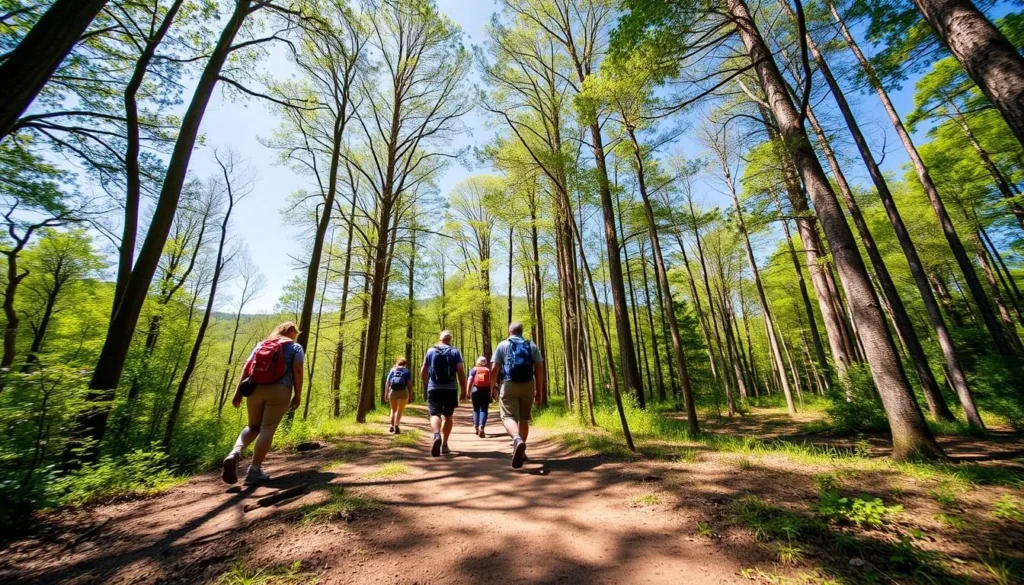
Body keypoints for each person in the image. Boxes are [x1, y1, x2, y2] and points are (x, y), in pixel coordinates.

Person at [222, 322, 304, 485]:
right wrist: (298, 395)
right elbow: (298, 370)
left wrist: (237, 391)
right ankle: (254, 471)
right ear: (292, 334)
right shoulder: (295, 348)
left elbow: (246, 367)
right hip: (280, 389)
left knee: (252, 426)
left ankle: (235, 453)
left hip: (254, 389)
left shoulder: (262, 344)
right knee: (267, 429)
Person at [490, 322, 545, 469]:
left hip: (509, 384)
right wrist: (539, 390)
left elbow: (495, 368)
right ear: (522, 332)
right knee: (524, 419)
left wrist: (492, 387)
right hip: (528, 384)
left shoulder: (502, 345)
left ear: (509, 331)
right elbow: (539, 367)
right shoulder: (531, 345)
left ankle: (516, 439)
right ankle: (521, 449)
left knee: (508, 417)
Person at [420, 330, 466, 457]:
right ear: (450, 339)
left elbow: (423, 371)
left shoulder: (430, 351)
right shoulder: (455, 351)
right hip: (451, 388)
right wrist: (464, 389)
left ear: (440, 339)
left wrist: (426, 385)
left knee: (435, 414)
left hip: (434, 387)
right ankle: (444, 445)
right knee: (448, 416)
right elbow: (460, 371)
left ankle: (436, 435)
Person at [467, 356, 494, 438]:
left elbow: (470, 380)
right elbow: (492, 382)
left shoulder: (474, 369)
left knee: (476, 409)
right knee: (484, 409)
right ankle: (481, 427)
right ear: (486, 363)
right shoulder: (488, 370)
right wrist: (491, 393)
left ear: (477, 362)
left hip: (475, 390)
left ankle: (476, 428)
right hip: (485, 391)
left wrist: (467, 393)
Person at [385, 357, 412, 434]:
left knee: (393, 410)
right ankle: (396, 425)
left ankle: (392, 426)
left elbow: (387, 383)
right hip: (403, 392)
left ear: (397, 363)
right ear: (405, 364)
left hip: (393, 392)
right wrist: (410, 395)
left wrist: (386, 394)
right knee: (399, 410)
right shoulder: (407, 371)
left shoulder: (392, 370)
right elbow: (409, 384)